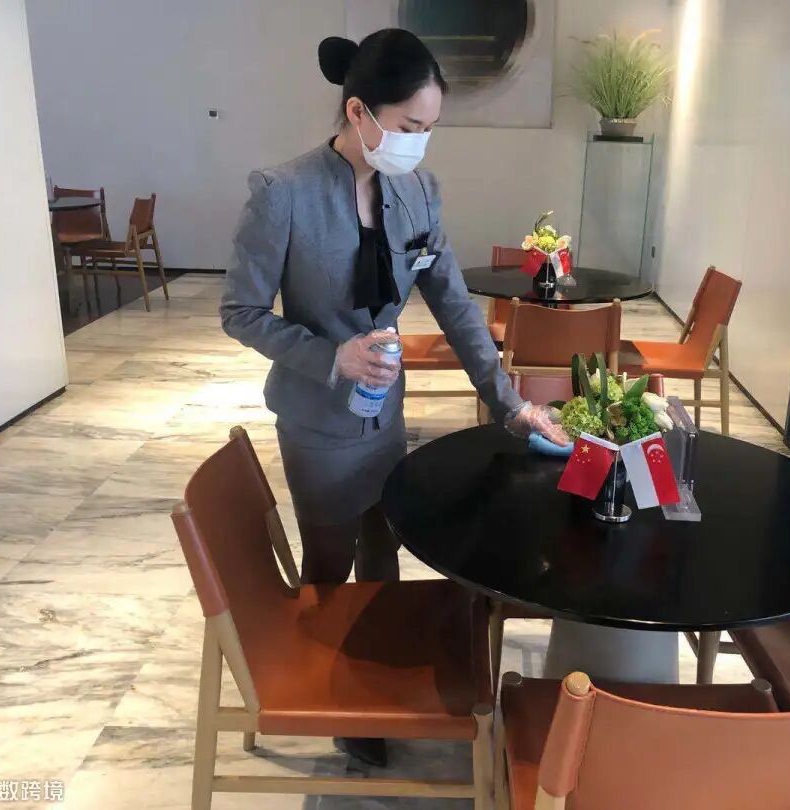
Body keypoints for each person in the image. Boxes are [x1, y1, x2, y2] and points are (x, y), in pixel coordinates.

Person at [219, 29, 567, 765]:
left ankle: (375, 681)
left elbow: (455, 305)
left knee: (387, 542)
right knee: (329, 559)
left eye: (429, 128)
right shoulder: (284, 193)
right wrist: (331, 356)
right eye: (410, 126)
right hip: (317, 418)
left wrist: (509, 401)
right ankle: (333, 693)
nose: (419, 143)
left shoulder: (417, 192)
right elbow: (240, 313)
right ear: (359, 112)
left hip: (386, 411)